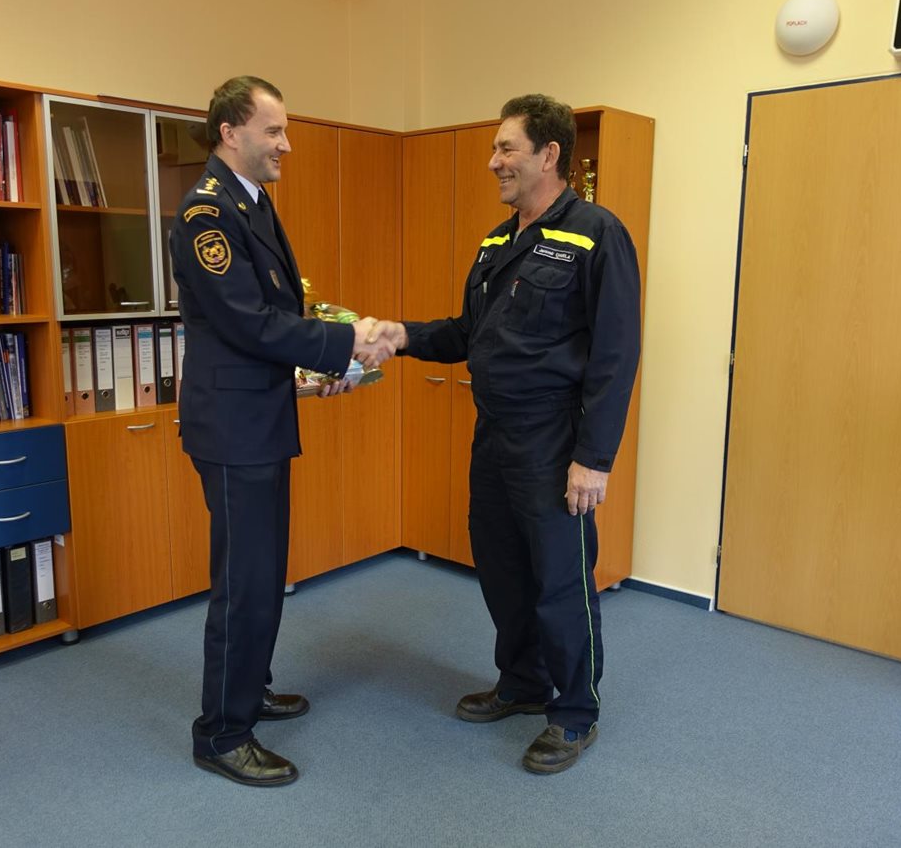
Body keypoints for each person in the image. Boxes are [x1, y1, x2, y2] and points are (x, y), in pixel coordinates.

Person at [367, 94, 641, 773]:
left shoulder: (597, 234)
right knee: (502, 567)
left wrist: (593, 458)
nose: (494, 162)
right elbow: (468, 334)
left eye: (506, 148)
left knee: (560, 579)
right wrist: (401, 335)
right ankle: (522, 682)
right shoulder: (497, 241)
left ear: (549, 154)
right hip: (494, 435)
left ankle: (573, 712)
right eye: (495, 149)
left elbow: (616, 355)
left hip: (554, 439)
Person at [169, 75, 389, 787]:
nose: (286, 144)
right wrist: (345, 342)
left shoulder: (251, 203)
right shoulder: (206, 214)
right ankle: (222, 733)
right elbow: (248, 322)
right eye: (273, 131)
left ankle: (249, 688)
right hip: (234, 429)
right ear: (230, 132)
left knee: (264, 576)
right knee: (244, 583)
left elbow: (270, 325)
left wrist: (319, 369)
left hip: (259, 417)